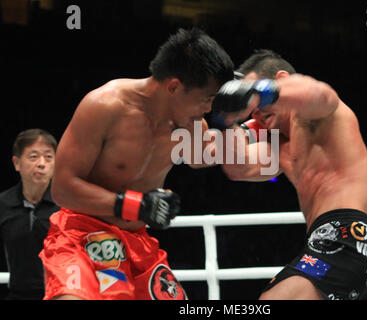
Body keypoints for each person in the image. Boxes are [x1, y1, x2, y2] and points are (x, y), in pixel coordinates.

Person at [39, 28, 235, 300]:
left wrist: (253, 116)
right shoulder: (105, 106)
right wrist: (136, 205)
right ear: (174, 87)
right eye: (206, 100)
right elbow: (62, 189)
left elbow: (209, 156)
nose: (208, 110)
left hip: (137, 243)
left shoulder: (190, 126)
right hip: (80, 236)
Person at [212, 49, 367, 300]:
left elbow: (318, 94)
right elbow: (238, 168)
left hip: (350, 235)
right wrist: (227, 120)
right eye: (250, 107)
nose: (254, 112)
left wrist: (259, 93)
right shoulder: (281, 146)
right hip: (352, 249)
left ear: (283, 80)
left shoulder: (317, 116)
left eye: (256, 101)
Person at [0, 129, 59, 300]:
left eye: (48, 157)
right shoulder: (3, 204)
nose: (42, 163)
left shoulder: (68, 206)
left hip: (60, 295)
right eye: (33, 157)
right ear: (16, 163)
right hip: (17, 295)